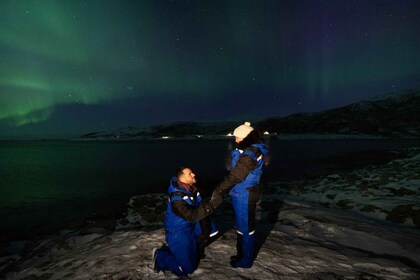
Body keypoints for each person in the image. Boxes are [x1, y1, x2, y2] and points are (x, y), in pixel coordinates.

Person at [211, 122, 269, 268]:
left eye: (238, 138)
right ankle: (242, 255)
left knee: (246, 228)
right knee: (243, 226)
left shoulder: (249, 154)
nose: (236, 140)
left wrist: (219, 189)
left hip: (245, 194)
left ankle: (245, 261)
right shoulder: (252, 150)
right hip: (245, 192)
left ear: (245, 137)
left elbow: (236, 176)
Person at [153, 166, 222, 277]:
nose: (193, 174)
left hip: (191, 224)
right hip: (178, 229)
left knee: (212, 230)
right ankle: (160, 255)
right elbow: (191, 215)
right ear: (182, 177)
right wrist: (212, 205)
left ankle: (194, 250)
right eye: (190, 173)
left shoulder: (191, 188)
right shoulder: (176, 198)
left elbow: (199, 207)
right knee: (186, 269)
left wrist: (205, 231)